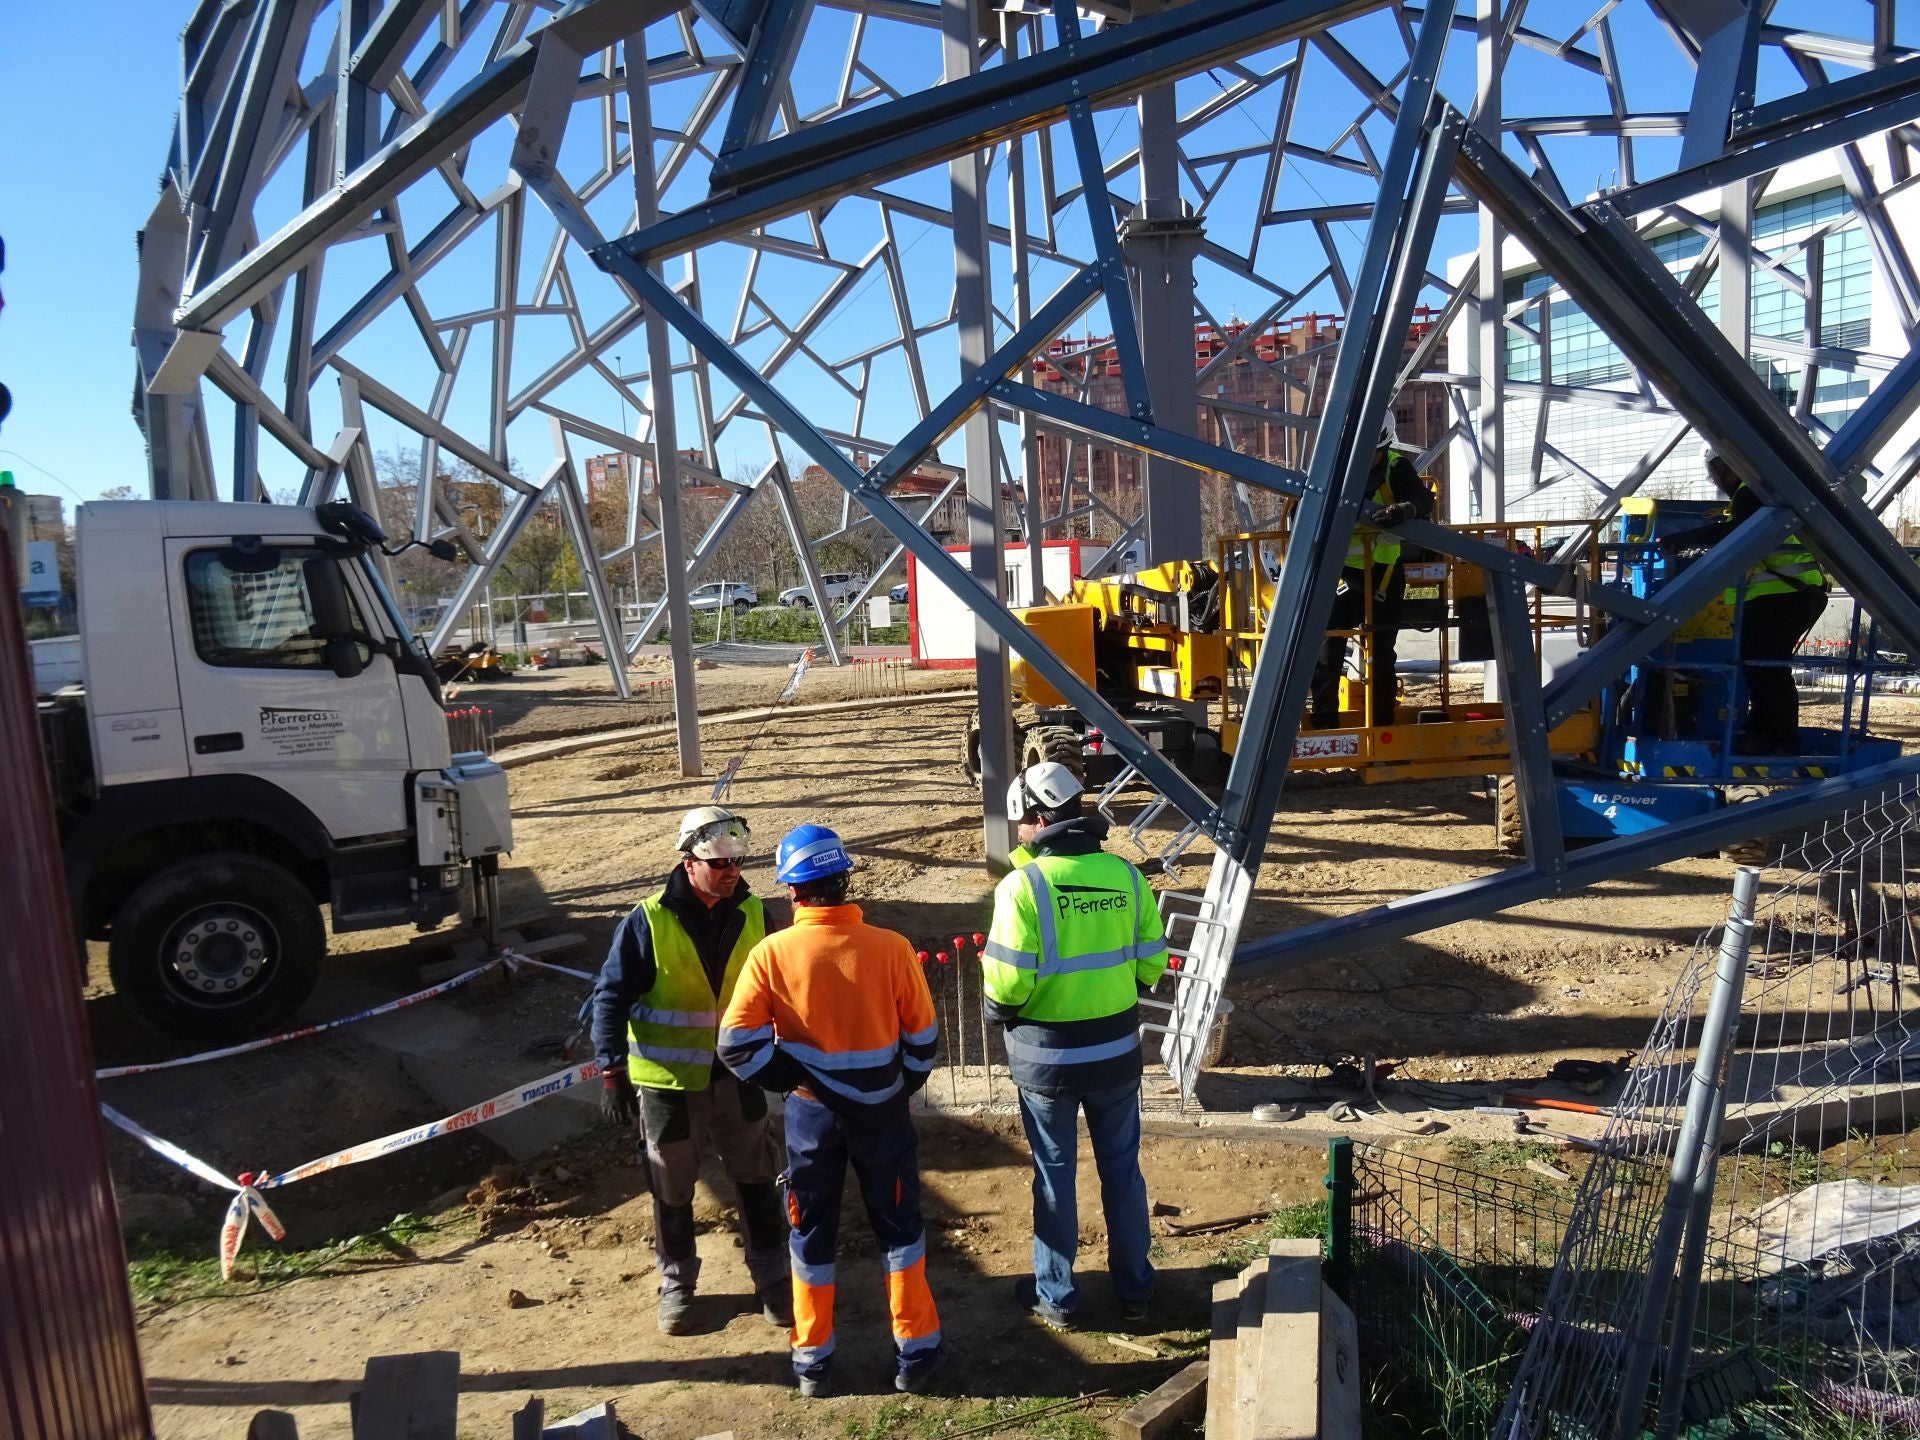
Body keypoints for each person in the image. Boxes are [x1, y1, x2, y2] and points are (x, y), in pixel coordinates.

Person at [718, 824, 945, 1399]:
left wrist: (796, 1080)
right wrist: (894, 1086)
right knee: (900, 1229)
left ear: (792, 892)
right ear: (845, 883)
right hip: (883, 1114)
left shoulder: (771, 954)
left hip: (811, 1118)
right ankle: (915, 1351)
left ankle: (812, 1359)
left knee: (810, 1232)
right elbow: (923, 1040)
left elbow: (737, 1043)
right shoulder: (891, 948)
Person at [590, 805, 790, 1335]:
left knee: (755, 1179)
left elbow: (778, 984)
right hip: (668, 1085)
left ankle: (773, 1279)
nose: (731, 874)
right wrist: (611, 1071)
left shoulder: (752, 913)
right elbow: (610, 997)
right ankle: (677, 1284)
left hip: (739, 1076)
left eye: (737, 864)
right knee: (671, 1188)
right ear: (688, 861)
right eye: (719, 865)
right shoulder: (647, 920)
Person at [983, 761, 1169, 1330]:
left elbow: (1007, 983)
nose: (1017, 832)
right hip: (1116, 1053)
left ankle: (1058, 1298)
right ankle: (1135, 1290)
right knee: (1123, 1173)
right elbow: (1152, 966)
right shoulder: (1126, 877)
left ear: (1039, 819)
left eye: (1020, 822)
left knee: (1055, 1176)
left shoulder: (1022, 887)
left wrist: (999, 1010)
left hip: (1047, 1062)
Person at [1659, 446, 1829, 754]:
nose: (1716, 483)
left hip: (1781, 596)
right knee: (1762, 668)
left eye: (1715, 475)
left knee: (1768, 670)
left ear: (1728, 467)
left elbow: (1739, 533)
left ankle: (1777, 739)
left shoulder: (1751, 493)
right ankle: (1765, 730)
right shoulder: (1763, 493)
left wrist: (1685, 539)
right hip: (1789, 594)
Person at [1309, 412, 1434, 727]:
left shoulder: (1395, 466)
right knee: (1327, 650)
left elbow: (1421, 499)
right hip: (1337, 576)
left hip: (1383, 575)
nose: (1365, 460)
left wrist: (1407, 509)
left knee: (1380, 654)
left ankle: (1381, 723)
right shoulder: (1335, 467)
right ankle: (1325, 723)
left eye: (1371, 453)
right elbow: (1304, 509)